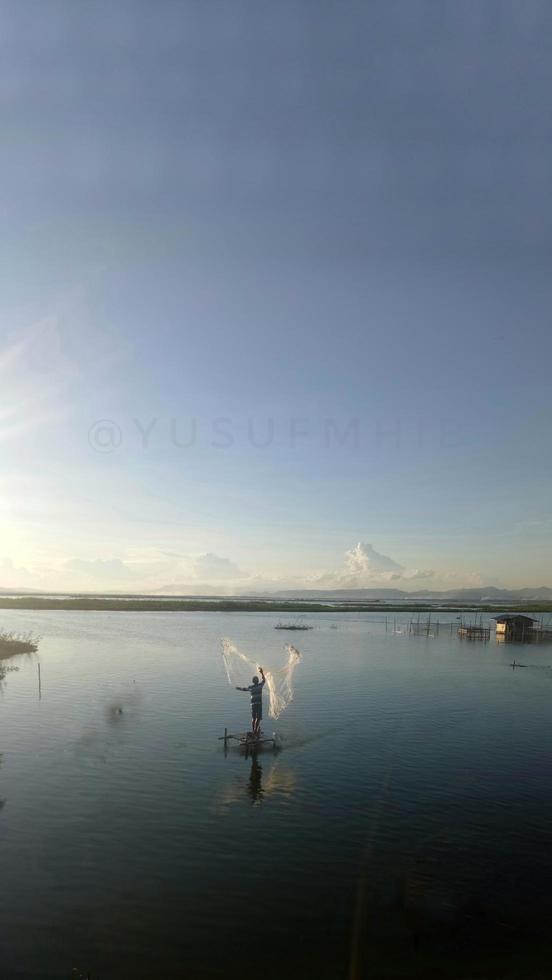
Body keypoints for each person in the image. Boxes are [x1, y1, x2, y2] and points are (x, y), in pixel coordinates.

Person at [236, 667, 266, 736]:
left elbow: (244, 689)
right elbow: (264, 680)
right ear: (257, 681)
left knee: (253, 718)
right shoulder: (260, 686)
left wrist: (238, 688)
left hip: (253, 705)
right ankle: (255, 731)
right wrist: (262, 673)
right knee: (258, 718)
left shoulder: (251, 687)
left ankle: (254, 731)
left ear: (253, 681)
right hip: (258, 704)